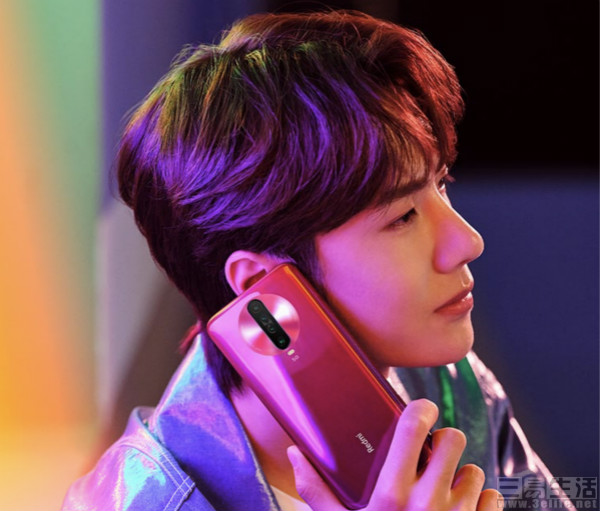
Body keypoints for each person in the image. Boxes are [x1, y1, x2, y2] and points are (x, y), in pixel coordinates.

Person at [63, 10, 571, 511]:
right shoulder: (142, 501)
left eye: (442, 184)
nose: (467, 241)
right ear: (260, 286)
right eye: (402, 217)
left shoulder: (445, 385)